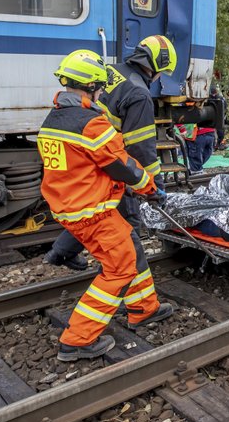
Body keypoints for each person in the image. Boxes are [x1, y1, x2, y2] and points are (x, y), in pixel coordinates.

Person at [38, 50, 172, 360]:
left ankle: (143, 308)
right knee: (119, 268)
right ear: (92, 87)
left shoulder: (53, 119)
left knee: (129, 245)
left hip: (70, 208)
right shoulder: (90, 125)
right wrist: (150, 188)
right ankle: (77, 339)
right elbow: (124, 165)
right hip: (91, 212)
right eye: (100, 88)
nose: (102, 93)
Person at [45, 35, 176, 270]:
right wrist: (153, 186)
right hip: (110, 156)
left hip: (86, 150)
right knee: (128, 221)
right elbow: (141, 148)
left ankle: (60, 252)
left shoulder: (110, 71)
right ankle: (125, 281)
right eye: (162, 72)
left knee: (92, 211)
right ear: (156, 67)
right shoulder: (139, 94)